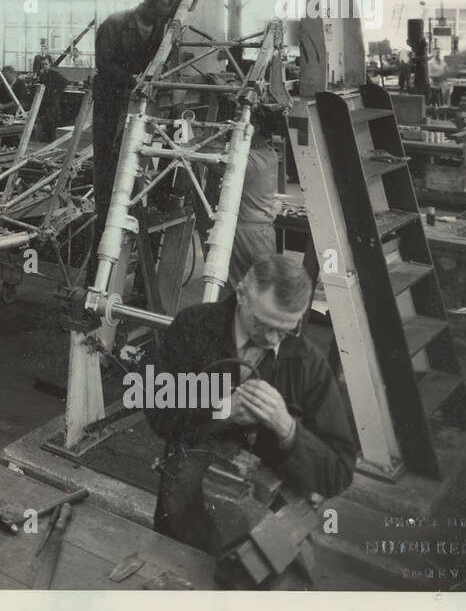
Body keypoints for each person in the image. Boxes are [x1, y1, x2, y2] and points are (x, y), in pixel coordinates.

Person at [146, 255, 356, 584]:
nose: (273, 340)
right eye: (263, 324)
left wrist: (288, 429)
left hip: (264, 536)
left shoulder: (308, 364)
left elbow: (338, 474)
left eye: (285, 330)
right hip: (185, 514)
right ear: (241, 293)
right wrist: (219, 411)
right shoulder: (192, 327)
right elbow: (158, 415)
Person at [91, 0, 178, 247]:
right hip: (112, 99)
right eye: (159, 14)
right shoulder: (114, 24)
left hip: (142, 101)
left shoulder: (160, 26)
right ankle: (105, 216)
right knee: (109, 161)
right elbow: (103, 64)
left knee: (139, 159)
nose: (161, 19)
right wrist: (130, 79)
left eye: (164, 16)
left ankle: (140, 206)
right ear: (147, 6)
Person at [227, 110, 281, 292]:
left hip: (245, 234)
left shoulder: (247, 161)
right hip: (264, 234)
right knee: (263, 291)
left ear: (254, 128)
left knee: (240, 292)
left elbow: (199, 151)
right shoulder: (270, 154)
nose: (234, 121)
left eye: (239, 118)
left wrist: (182, 115)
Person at [35, 56, 68, 141]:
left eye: (46, 64)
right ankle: (46, 138)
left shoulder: (54, 74)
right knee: (45, 120)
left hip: (52, 101)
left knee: (52, 120)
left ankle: (51, 139)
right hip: (45, 101)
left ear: (50, 64)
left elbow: (64, 82)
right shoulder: (42, 75)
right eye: (42, 65)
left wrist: (56, 92)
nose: (44, 66)